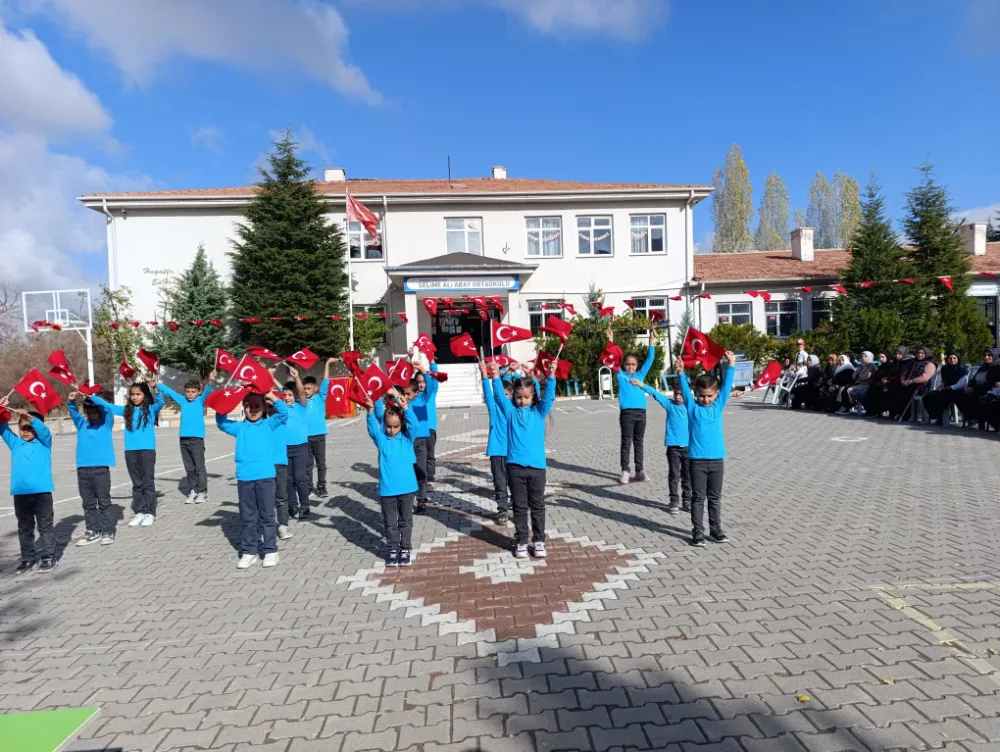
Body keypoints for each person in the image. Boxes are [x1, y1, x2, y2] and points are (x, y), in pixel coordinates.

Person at [491, 357, 558, 559]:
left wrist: (551, 375)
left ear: (532, 396)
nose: (522, 401)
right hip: (515, 468)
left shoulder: (539, 412)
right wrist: (495, 375)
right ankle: (521, 540)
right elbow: (499, 397)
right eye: (519, 397)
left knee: (537, 506)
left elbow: (549, 398)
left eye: (527, 397)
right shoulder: (510, 412)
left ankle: (539, 541)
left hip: (537, 468)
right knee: (519, 507)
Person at [216, 391, 288, 569]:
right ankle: (249, 551)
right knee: (248, 517)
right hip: (245, 478)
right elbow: (221, 422)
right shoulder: (239, 428)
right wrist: (228, 400)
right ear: (243, 408)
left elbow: (284, 412)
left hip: (265, 477)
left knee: (267, 516)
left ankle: (271, 551)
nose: (253, 410)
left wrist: (272, 396)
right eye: (248, 406)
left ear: (264, 408)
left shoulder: (269, 424)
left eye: (257, 406)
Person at [674, 350, 736, 547]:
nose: (706, 399)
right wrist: (681, 372)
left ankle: (715, 529)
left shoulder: (718, 406)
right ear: (695, 394)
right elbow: (684, 390)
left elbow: (726, 387)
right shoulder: (692, 407)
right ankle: (698, 531)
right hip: (697, 461)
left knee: (715, 498)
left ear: (716, 395)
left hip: (717, 460)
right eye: (702, 396)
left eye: (709, 396)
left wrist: (731, 364)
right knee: (698, 497)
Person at [90, 379, 164, 527]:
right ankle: (140, 512)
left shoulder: (151, 409)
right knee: (137, 484)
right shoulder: (126, 411)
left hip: (147, 451)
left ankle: (150, 512)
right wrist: (91, 396)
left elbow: (160, 401)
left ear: (145, 395)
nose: (135, 397)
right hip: (131, 452)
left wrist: (154, 386)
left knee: (148, 483)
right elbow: (108, 405)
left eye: (138, 394)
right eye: (132, 394)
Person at [1, 402, 56, 573]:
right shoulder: (16, 444)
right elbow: (2, 427)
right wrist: (1, 408)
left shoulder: (44, 443)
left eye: (29, 428)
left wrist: (29, 417)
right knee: (24, 528)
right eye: (22, 428)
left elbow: (44, 431)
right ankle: (27, 558)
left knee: (45, 527)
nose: (25, 431)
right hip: (21, 495)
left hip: (42, 494)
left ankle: (48, 557)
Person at [365, 393, 418, 567]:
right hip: (387, 489)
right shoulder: (382, 440)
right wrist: (370, 410)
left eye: (395, 426)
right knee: (390, 522)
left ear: (401, 424)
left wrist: (406, 409)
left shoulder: (407, 439)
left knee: (405, 521)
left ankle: (406, 548)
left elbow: (415, 425)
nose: (392, 430)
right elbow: (373, 429)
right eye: (388, 426)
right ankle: (393, 548)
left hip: (407, 488)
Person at [607, 327, 657, 485]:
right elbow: (612, 358)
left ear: (637, 365)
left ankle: (640, 470)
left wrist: (651, 340)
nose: (630, 367)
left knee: (639, 442)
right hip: (627, 414)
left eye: (633, 364)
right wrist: (610, 339)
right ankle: (625, 470)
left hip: (641, 413)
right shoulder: (620, 375)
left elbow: (650, 358)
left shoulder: (640, 375)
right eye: (628, 364)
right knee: (626, 442)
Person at [634, 376, 690, 515]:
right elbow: (655, 393)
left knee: (687, 476)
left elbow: (712, 397)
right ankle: (673, 501)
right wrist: (642, 385)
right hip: (673, 448)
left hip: (689, 448)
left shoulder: (691, 406)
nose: (678, 397)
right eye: (676, 394)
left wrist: (731, 393)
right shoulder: (669, 404)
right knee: (674, 475)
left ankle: (687, 500)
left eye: (681, 394)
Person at [157, 372, 216, 504]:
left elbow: (209, 390)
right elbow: (169, 392)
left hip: (197, 440)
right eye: (188, 391)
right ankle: (193, 490)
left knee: (199, 468)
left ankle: (202, 492)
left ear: (198, 392)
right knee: (189, 468)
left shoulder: (201, 400)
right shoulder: (182, 401)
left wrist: (211, 380)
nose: (190, 394)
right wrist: (156, 384)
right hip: (183, 440)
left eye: (193, 391)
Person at [67, 392, 116, 546]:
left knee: (104, 502)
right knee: (88, 504)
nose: (93, 415)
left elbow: (108, 409)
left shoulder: (106, 424)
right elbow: (74, 413)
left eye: (95, 412)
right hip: (83, 471)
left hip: (101, 471)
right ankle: (92, 531)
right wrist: (71, 401)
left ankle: (107, 531)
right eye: (90, 413)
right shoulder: (82, 424)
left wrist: (93, 397)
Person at [481, 360, 511, 526]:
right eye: (502, 395)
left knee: (515, 482)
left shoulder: (514, 411)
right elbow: (489, 393)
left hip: (514, 452)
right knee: (500, 482)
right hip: (497, 452)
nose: (504, 398)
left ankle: (516, 503)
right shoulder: (494, 409)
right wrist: (486, 376)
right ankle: (502, 509)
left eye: (508, 395)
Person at [407, 361, 439, 514]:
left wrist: (424, 370)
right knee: (410, 470)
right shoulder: (405, 401)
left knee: (421, 469)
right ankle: (409, 496)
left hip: (421, 440)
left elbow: (432, 386)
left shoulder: (423, 399)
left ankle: (421, 500)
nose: (408, 396)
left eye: (422, 383)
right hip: (407, 441)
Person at [303, 358, 335, 498]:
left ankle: (321, 487)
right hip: (305, 437)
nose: (306, 391)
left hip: (320, 436)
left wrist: (327, 363)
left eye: (309, 388)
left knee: (321, 464)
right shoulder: (301, 401)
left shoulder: (320, 398)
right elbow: (285, 391)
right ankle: (308, 488)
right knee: (307, 466)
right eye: (304, 389)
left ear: (315, 388)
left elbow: (326, 380)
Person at [282, 368, 311, 520]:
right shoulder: (281, 409)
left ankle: (305, 506)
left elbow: (300, 392)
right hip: (285, 448)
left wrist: (297, 377)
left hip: (300, 447)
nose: (287, 398)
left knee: (299, 477)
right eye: (285, 395)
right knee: (288, 478)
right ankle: (292, 505)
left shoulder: (301, 406)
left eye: (290, 395)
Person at [923, 351, 970, 425]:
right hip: (946, 389)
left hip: (958, 391)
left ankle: (943, 418)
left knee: (942, 397)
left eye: (954, 358)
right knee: (928, 396)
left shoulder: (962, 369)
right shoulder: (945, 368)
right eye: (950, 358)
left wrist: (947, 388)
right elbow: (944, 381)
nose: (952, 360)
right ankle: (936, 416)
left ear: (958, 359)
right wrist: (941, 386)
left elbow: (960, 384)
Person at [866, 347, 911, 418]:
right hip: (893, 382)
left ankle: (894, 412)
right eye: (896, 354)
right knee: (875, 389)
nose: (897, 355)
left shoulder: (907, 363)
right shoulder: (895, 363)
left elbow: (901, 376)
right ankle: (876, 411)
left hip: (902, 384)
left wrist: (888, 378)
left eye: (899, 354)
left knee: (887, 391)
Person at [416, 362, 441, 491]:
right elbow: (405, 382)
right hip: (417, 431)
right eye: (419, 382)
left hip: (430, 429)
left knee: (430, 455)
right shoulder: (414, 396)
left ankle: (430, 479)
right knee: (419, 456)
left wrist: (431, 363)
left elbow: (433, 380)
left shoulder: (430, 393)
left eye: (423, 381)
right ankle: (420, 479)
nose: (421, 384)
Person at [896, 347, 936, 420]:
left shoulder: (930, 364)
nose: (919, 355)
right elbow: (905, 373)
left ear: (926, 354)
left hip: (921, 385)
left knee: (909, 392)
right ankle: (898, 412)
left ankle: (905, 415)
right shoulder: (913, 362)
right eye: (918, 353)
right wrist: (903, 380)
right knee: (898, 390)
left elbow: (925, 377)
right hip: (910, 383)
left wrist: (911, 381)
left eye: (922, 353)